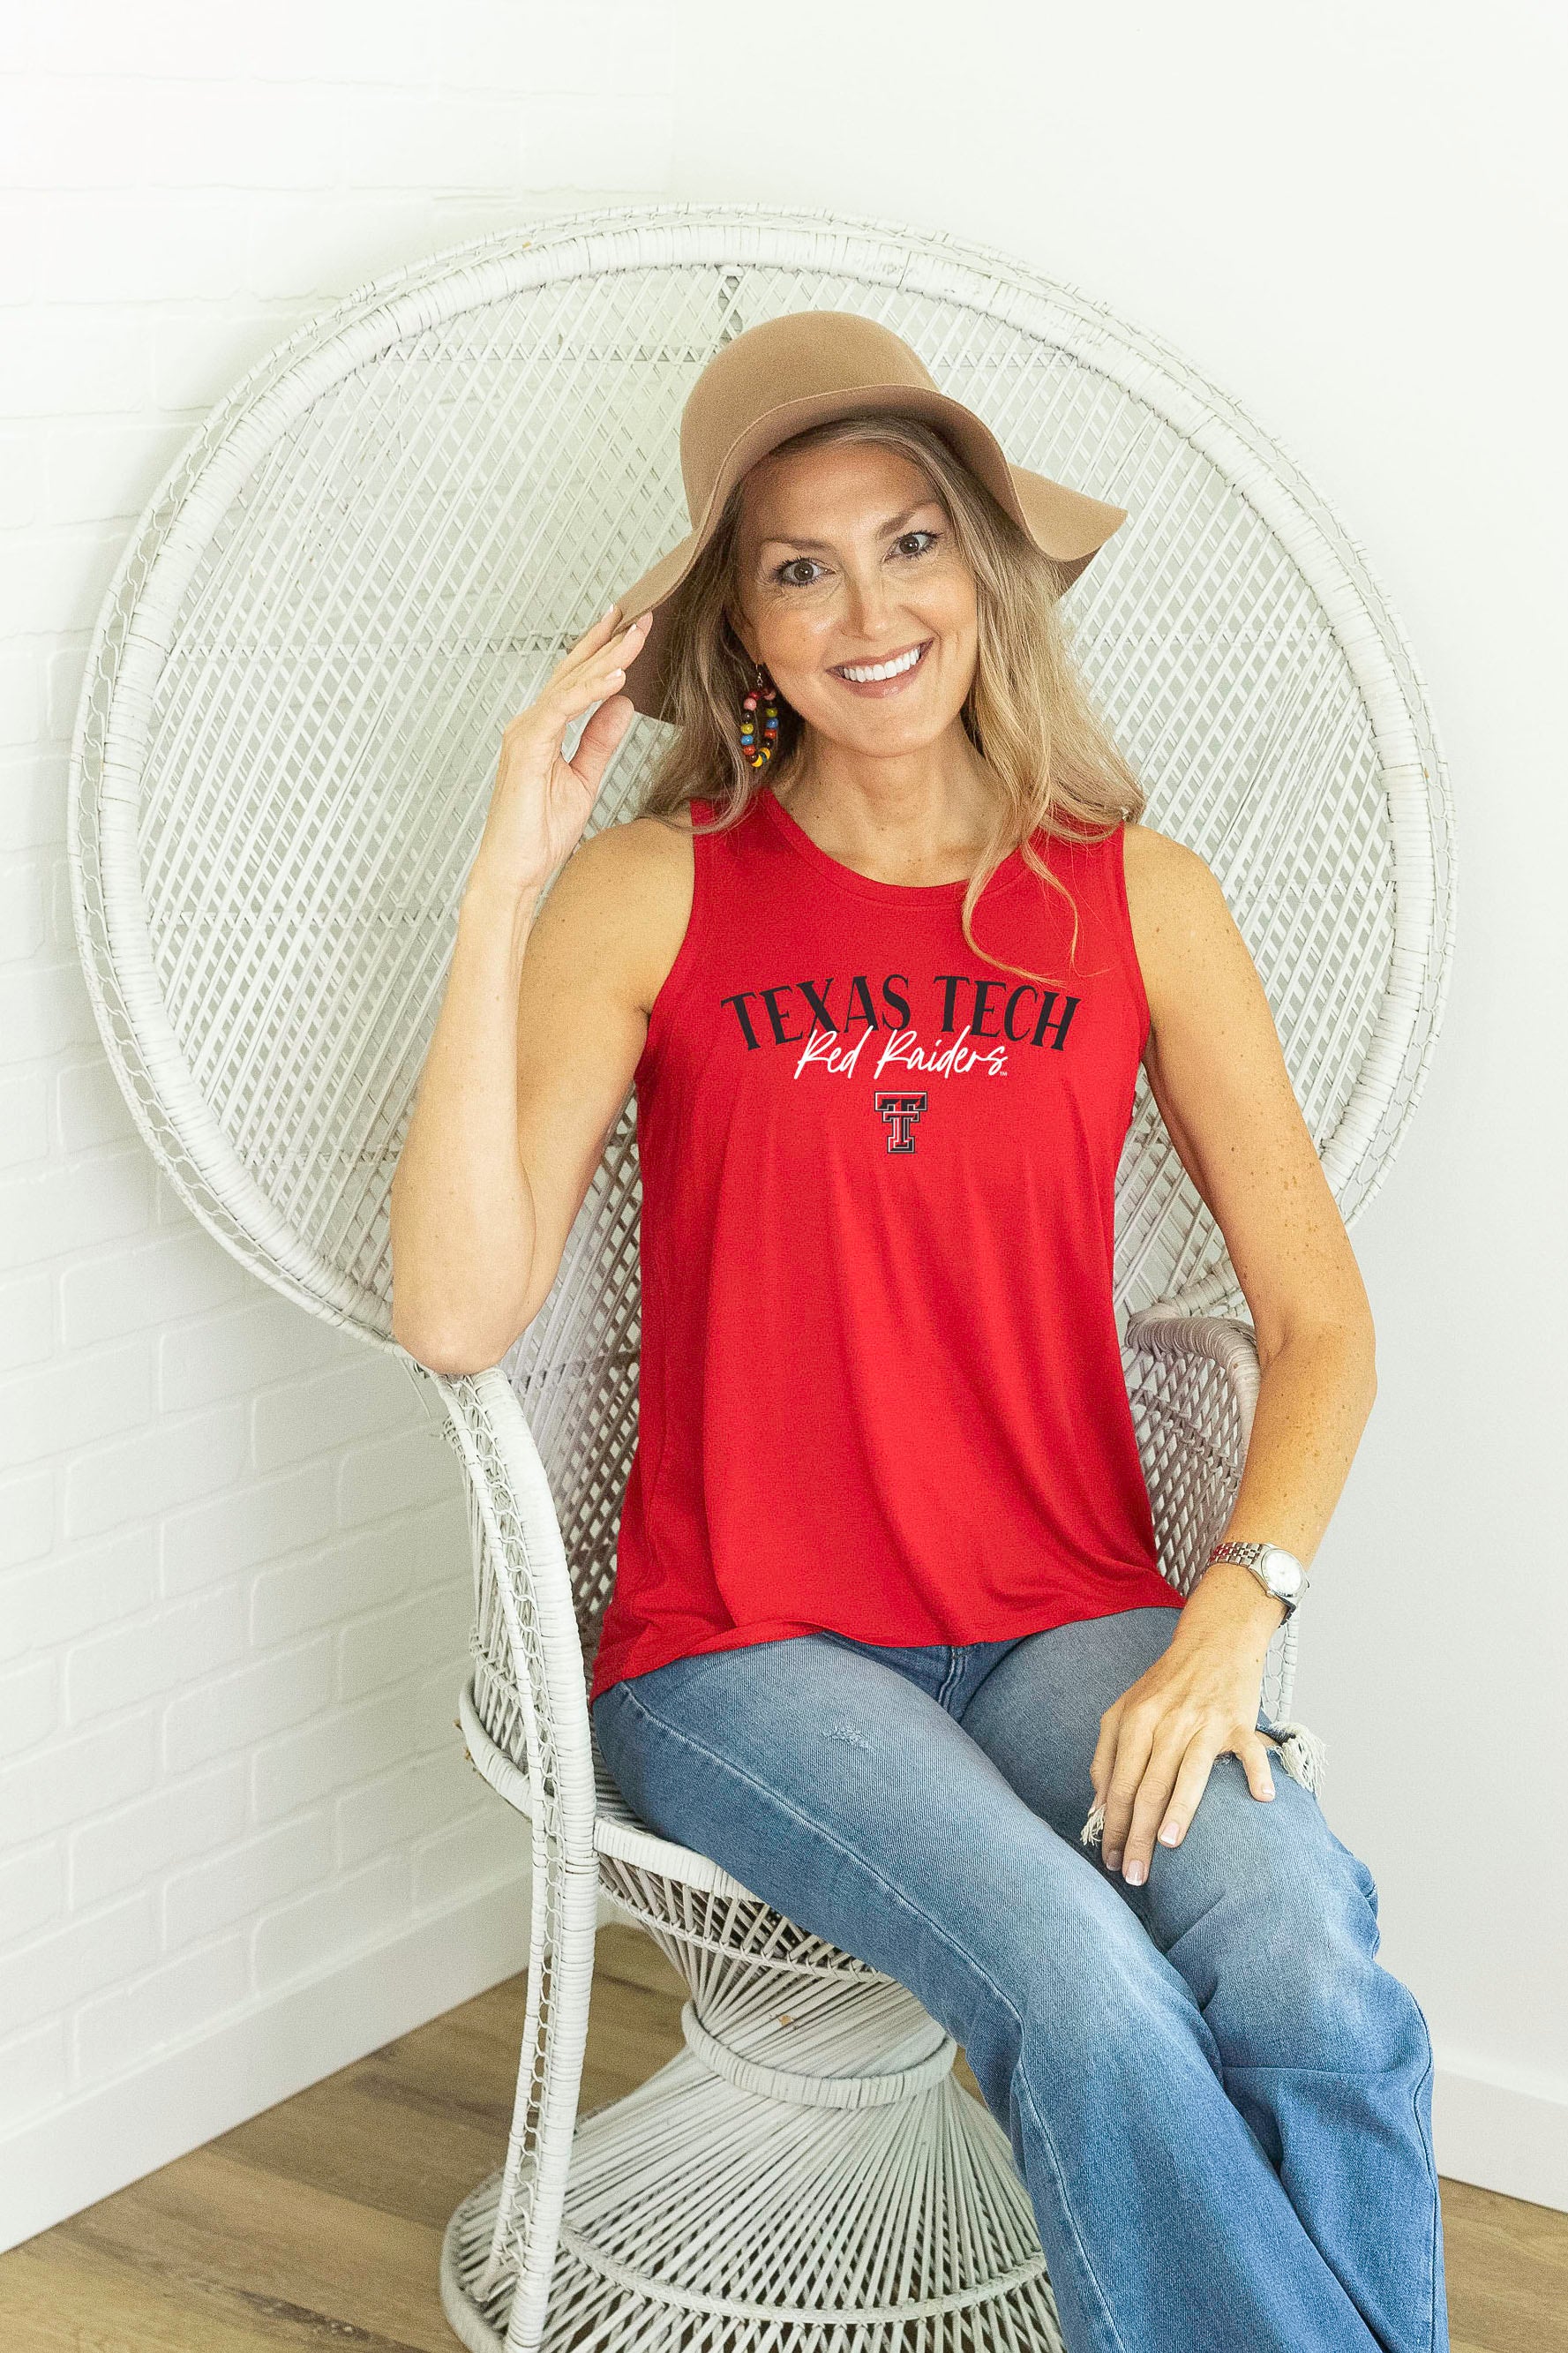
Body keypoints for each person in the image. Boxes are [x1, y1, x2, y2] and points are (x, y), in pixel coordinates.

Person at [388, 311, 1446, 2353]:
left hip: (1071, 1617)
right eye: (801, 567)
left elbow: (1320, 1319)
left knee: (1307, 1962)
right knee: (1082, 1985)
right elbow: (454, 1305)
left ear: (982, 565)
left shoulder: (1139, 896)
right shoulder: (650, 889)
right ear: (744, 630)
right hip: (747, 1642)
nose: (869, 612)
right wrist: (500, 881)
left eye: (910, 542)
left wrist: (1235, 1609)